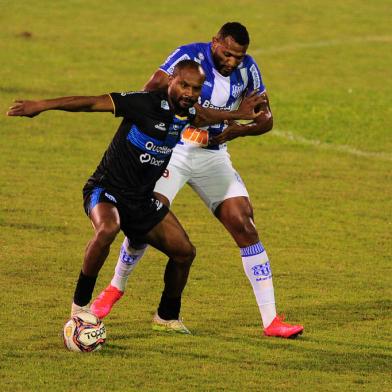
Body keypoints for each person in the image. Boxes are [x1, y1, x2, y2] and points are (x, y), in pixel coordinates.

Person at [7, 60, 263, 331]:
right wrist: (41, 106)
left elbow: (206, 115)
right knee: (108, 228)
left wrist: (237, 115)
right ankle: (80, 307)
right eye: (184, 85)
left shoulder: (188, 112)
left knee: (184, 252)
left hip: (141, 200)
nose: (189, 93)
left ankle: (167, 318)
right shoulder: (144, 103)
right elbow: (91, 102)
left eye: (195, 88)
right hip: (106, 189)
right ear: (171, 80)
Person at [92, 23, 304, 338]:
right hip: (173, 150)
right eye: (227, 53)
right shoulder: (187, 56)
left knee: (245, 224)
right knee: (146, 219)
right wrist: (225, 116)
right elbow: (152, 92)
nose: (232, 61)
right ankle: (114, 287)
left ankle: (271, 321)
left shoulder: (248, 70)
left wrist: (237, 130)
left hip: (213, 154)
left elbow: (266, 118)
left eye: (239, 56)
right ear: (214, 42)